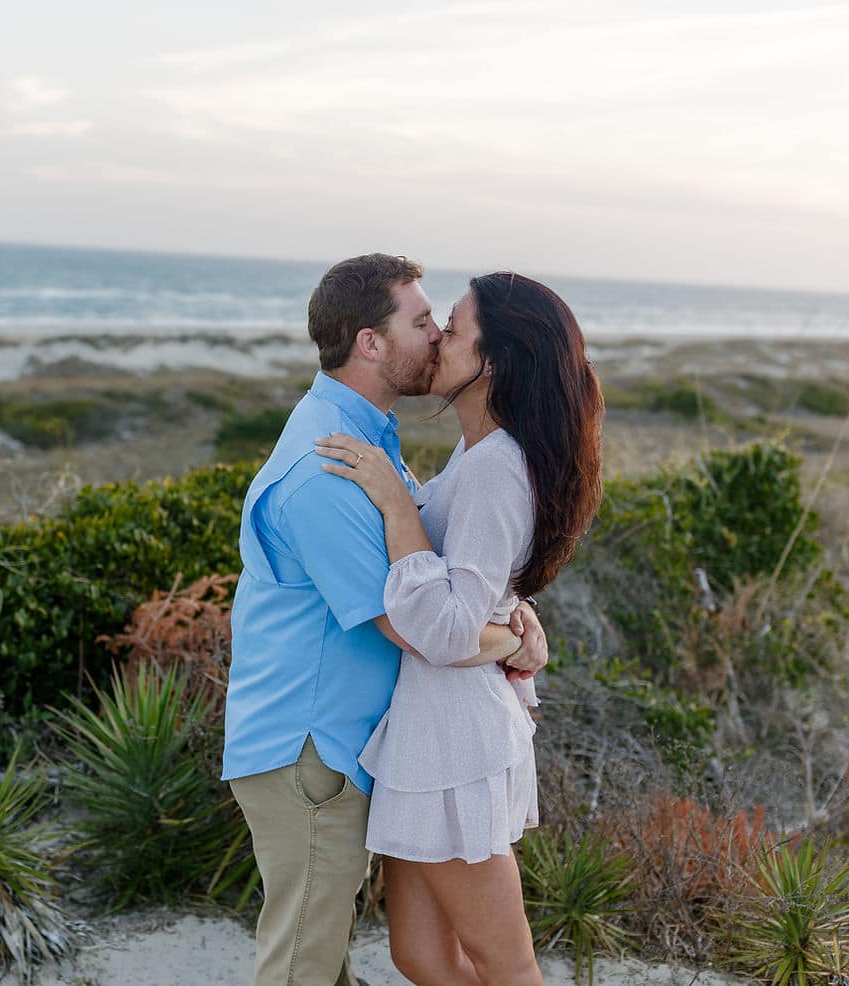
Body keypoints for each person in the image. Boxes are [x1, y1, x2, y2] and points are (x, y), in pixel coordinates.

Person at [222, 254, 549, 986]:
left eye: (444, 322)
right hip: (312, 749)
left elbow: (441, 573)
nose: (436, 335)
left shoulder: (368, 439)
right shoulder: (328, 467)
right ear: (370, 343)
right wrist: (510, 639)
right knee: (301, 966)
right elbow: (413, 627)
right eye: (422, 320)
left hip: (352, 745)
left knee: (325, 959)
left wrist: (511, 611)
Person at [313, 271, 605, 986]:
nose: (438, 338)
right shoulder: (478, 453)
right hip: (429, 731)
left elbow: (445, 630)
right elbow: (479, 586)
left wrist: (397, 506)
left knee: (509, 967)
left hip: (455, 741)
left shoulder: (496, 468)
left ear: (495, 361)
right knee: (421, 957)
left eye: (453, 327)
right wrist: (513, 625)